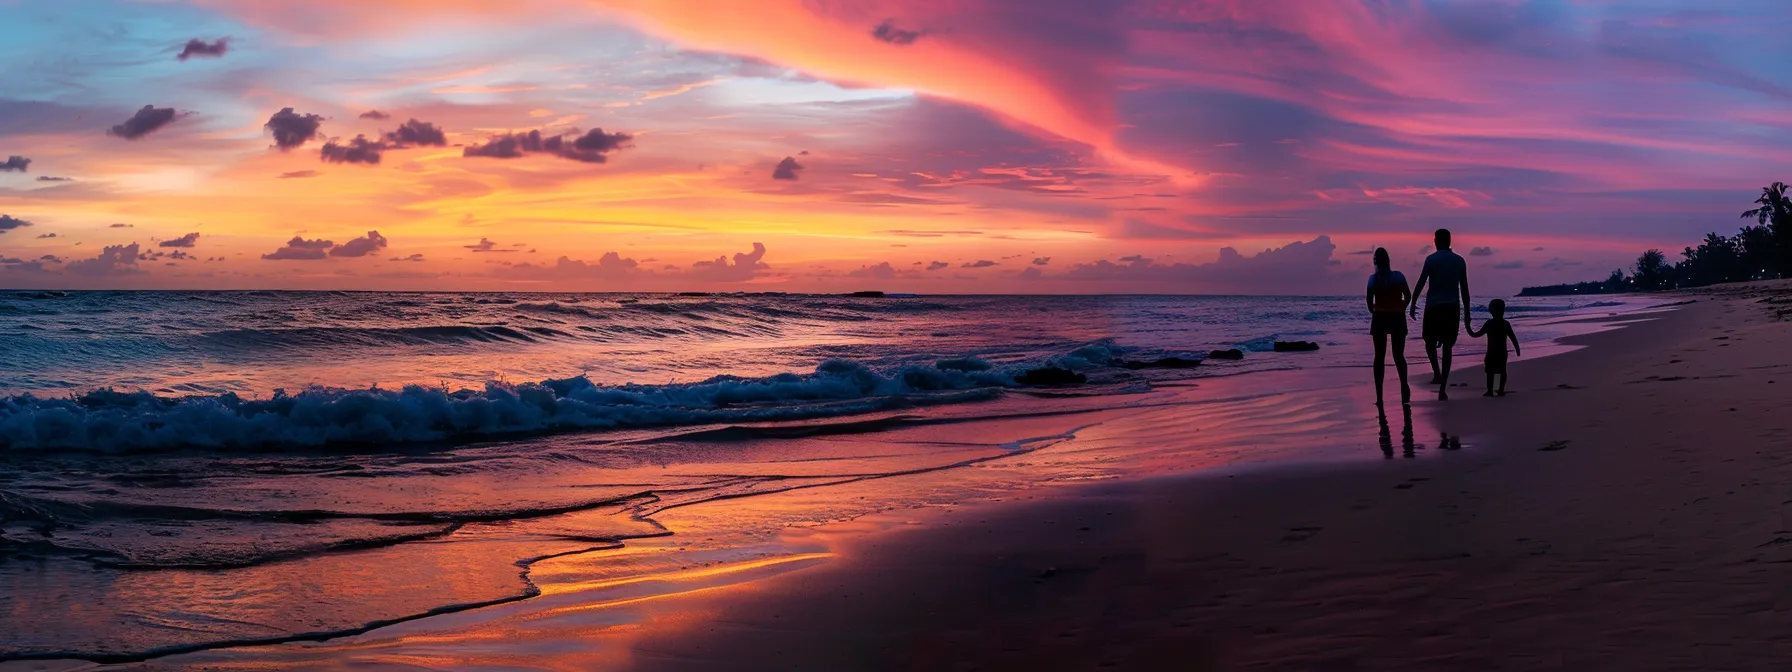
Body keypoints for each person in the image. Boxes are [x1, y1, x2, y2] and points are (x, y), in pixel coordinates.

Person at [1408, 229, 1471, 400]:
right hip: (1452, 307)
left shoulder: (1431, 260)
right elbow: (1464, 289)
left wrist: (1413, 303)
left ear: (1437, 241)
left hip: (1434, 307)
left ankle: (1437, 372)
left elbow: (1421, 282)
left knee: (1429, 341)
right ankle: (1442, 387)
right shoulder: (1459, 261)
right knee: (1448, 347)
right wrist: (1467, 312)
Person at [1366, 248, 1411, 409]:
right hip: (1397, 317)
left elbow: (1369, 302)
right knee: (1399, 355)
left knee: (1379, 357)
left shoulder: (1373, 279)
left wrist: (1376, 311)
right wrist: (1402, 307)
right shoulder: (1398, 276)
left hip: (1380, 317)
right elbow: (1408, 295)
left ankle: (1379, 395)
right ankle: (1404, 386)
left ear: (1376, 261)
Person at [1466, 298, 1521, 396]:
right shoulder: (1504, 324)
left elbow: (1475, 334)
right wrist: (1517, 349)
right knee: (1501, 371)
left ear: (1490, 310)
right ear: (1503, 310)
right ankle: (1499, 390)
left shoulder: (1489, 324)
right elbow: (1513, 337)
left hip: (1491, 353)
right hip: (1501, 353)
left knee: (1490, 372)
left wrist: (1468, 327)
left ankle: (1491, 390)